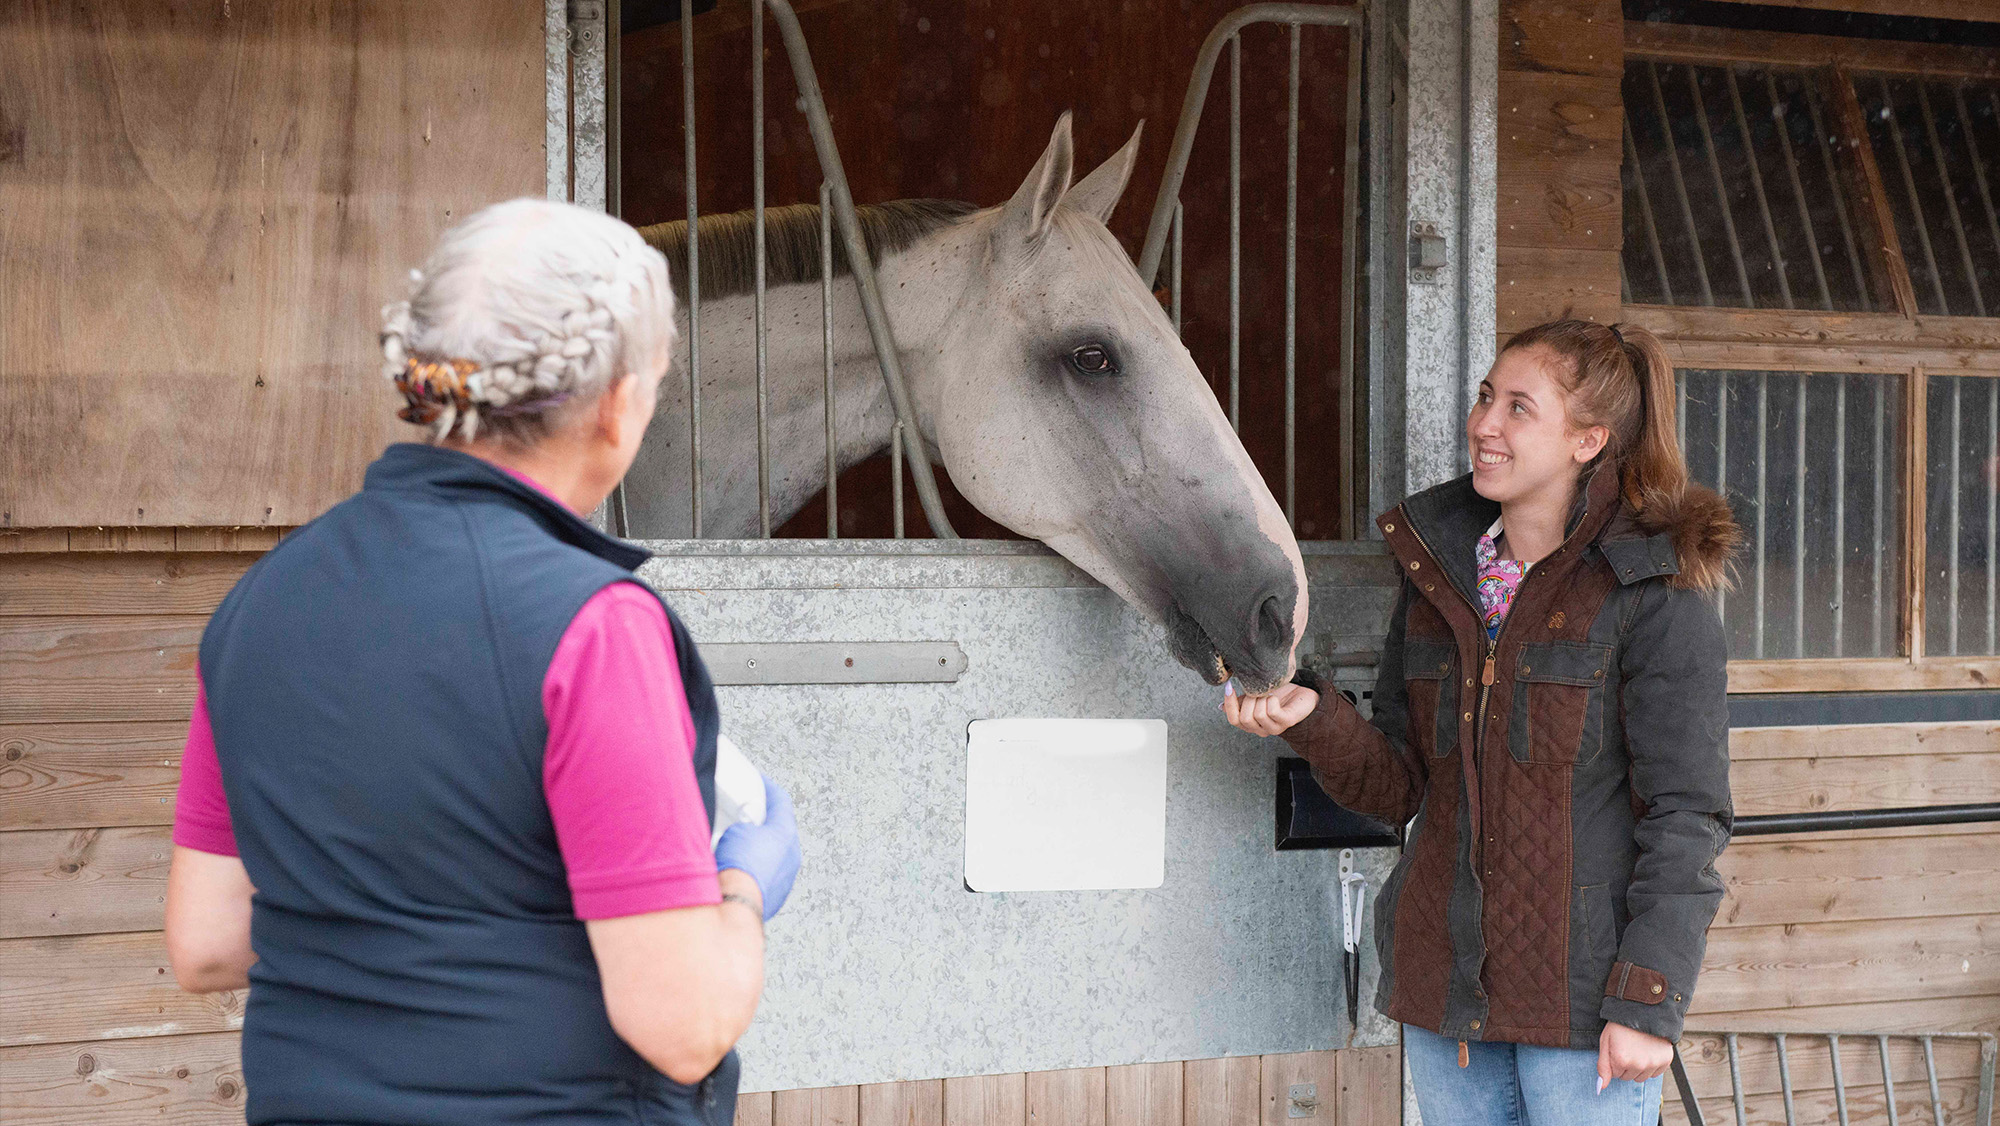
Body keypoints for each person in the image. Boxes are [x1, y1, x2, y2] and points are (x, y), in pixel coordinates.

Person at [163, 198, 801, 1126]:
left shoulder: (258, 604)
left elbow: (208, 943)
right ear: (615, 403)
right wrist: (743, 886)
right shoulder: (595, 628)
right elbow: (684, 1023)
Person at [1226, 319, 1738, 1126]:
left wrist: (1647, 999)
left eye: (1518, 408)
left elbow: (1686, 815)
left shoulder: (1652, 590)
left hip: (1583, 1013)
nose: (1484, 424)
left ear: (1588, 441)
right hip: (1448, 999)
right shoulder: (1442, 576)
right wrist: (1313, 717)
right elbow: (1400, 787)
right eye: (1485, 397)